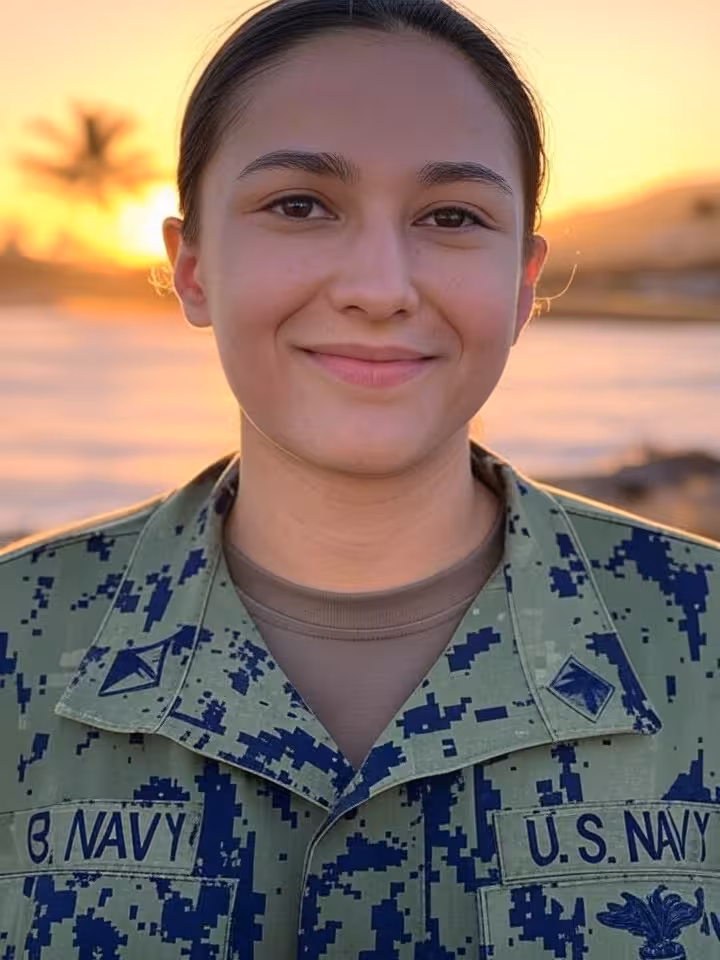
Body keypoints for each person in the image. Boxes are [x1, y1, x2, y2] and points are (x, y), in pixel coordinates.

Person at [1, 0, 719, 955]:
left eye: (451, 216)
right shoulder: (21, 634)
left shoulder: (699, 635)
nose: (379, 286)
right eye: (299, 205)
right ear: (193, 266)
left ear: (520, 284)